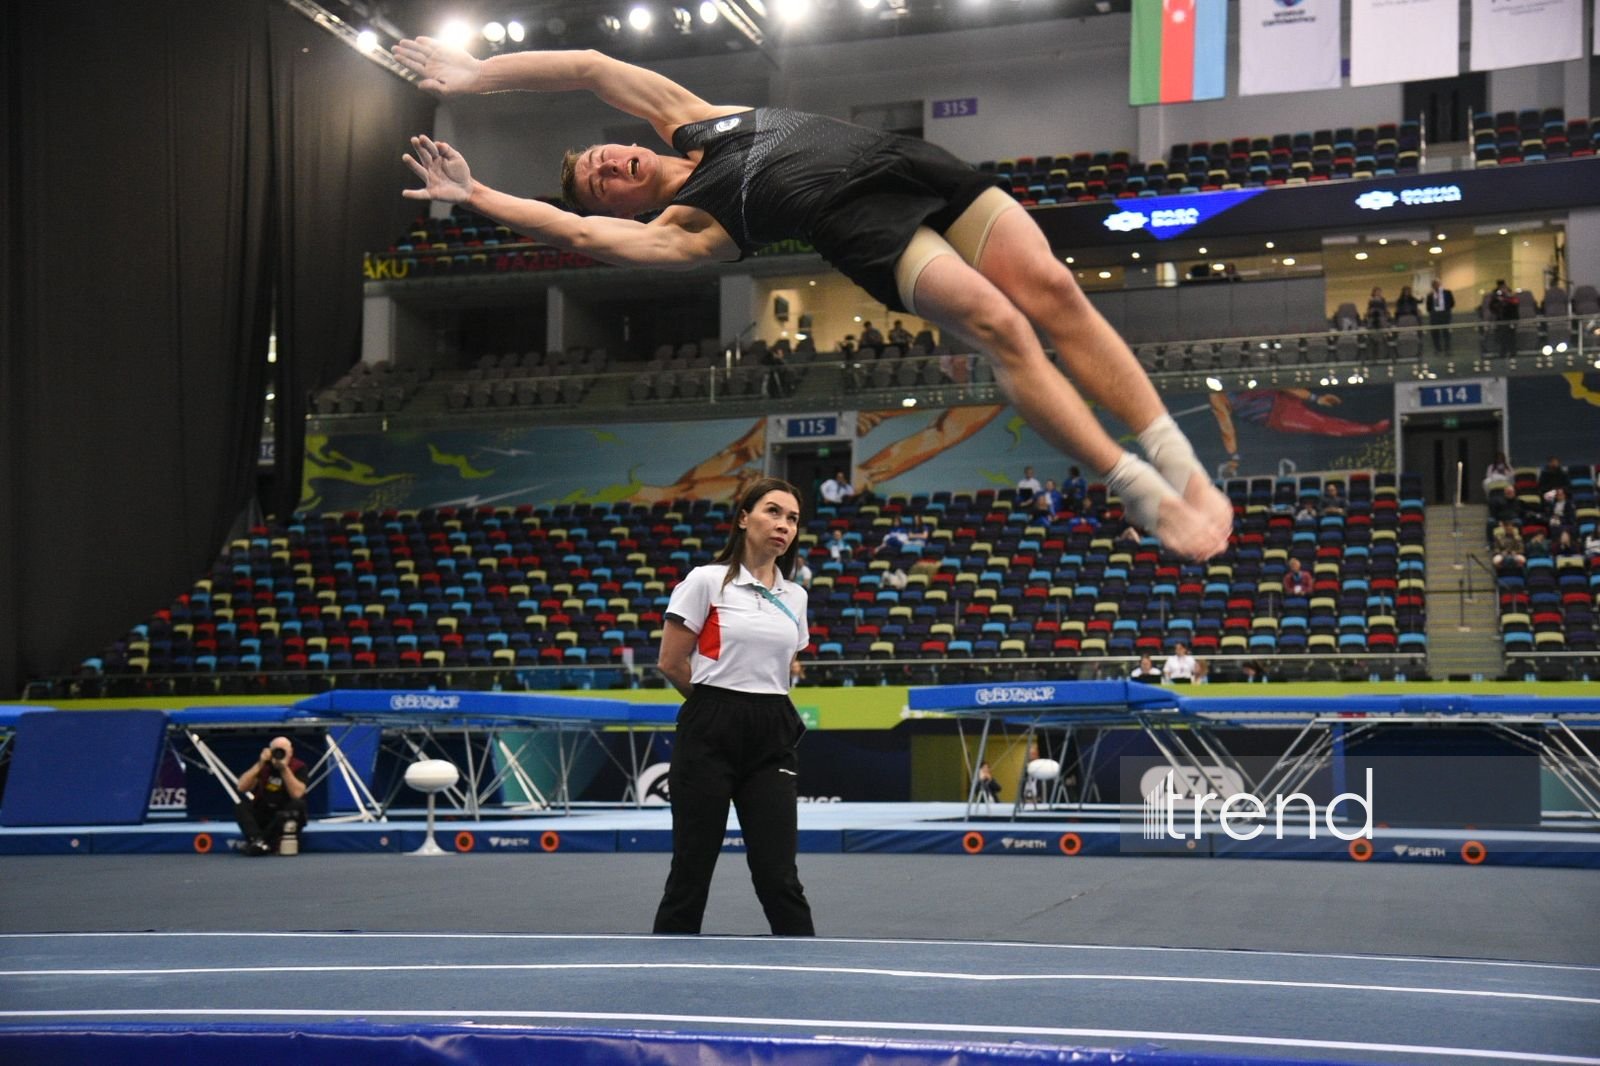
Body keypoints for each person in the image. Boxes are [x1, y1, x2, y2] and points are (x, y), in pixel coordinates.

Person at [393, 36, 1232, 562]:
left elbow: (589, 67)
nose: (610, 168)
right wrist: (479, 197)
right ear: (622, 206)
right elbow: (572, 235)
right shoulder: (691, 227)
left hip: (905, 161)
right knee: (1002, 325)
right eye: (600, 186)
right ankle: (1135, 486)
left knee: (1053, 289)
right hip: (867, 230)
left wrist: (477, 75)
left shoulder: (693, 116)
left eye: (603, 158)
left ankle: (1183, 466)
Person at [654, 477, 814, 936]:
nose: (784, 525)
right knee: (691, 869)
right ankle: (664, 977)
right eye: (773, 512)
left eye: (793, 518)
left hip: (773, 732)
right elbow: (670, 661)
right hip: (710, 727)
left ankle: (808, 971)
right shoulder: (704, 582)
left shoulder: (796, 597)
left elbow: (785, 665)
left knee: (778, 873)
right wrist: (716, 704)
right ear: (744, 518)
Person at [234, 736, 308, 856]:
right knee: (241, 806)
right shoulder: (264, 766)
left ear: (291, 752)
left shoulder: (299, 766)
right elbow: (241, 787)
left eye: (283, 751)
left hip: (285, 813)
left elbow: (297, 794)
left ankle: (260, 842)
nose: (280, 754)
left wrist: (284, 768)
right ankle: (258, 840)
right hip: (264, 811)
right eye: (276, 750)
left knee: (298, 804)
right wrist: (260, 763)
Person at [1490, 280, 1518, 358]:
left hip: (1511, 318)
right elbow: (1492, 307)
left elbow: (1515, 304)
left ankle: (1512, 353)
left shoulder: (1510, 295)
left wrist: (1507, 298)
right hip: (1501, 319)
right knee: (1502, 337)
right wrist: (1499, 302)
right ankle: (1503, 353)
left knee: (1511, 337)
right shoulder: (1496, 296)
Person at [1426, 278, 1455, 352]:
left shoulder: (1447, 292)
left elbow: (1452, 303)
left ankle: (1447, 348)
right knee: (1435, 333)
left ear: (1440, 284)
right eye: (1434, 285)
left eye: (1437, 284)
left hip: (1445, 315)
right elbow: (1428, 307)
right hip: (1434, 316)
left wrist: (1445, 310)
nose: (1436, 286)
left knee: (1446, 332)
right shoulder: (1430, 295)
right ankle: (1437, 348)